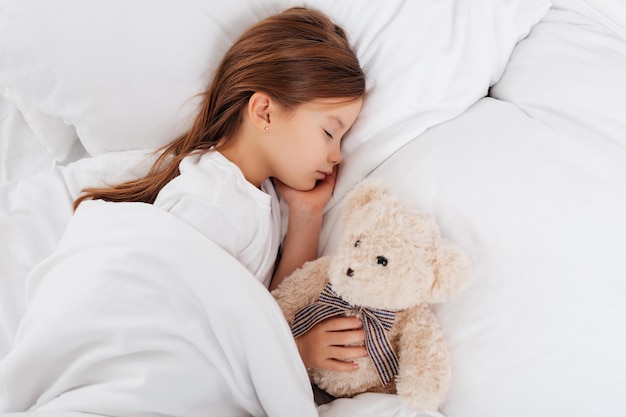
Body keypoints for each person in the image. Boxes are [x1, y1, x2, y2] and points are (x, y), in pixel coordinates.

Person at [74, 7, 368, 377]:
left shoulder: (260, 195)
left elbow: (272, 310)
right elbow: (181, 337)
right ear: (264, 112)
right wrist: (296, 352)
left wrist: (306, 215)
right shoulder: (210, 201)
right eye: (329, 132)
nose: (337, 154)